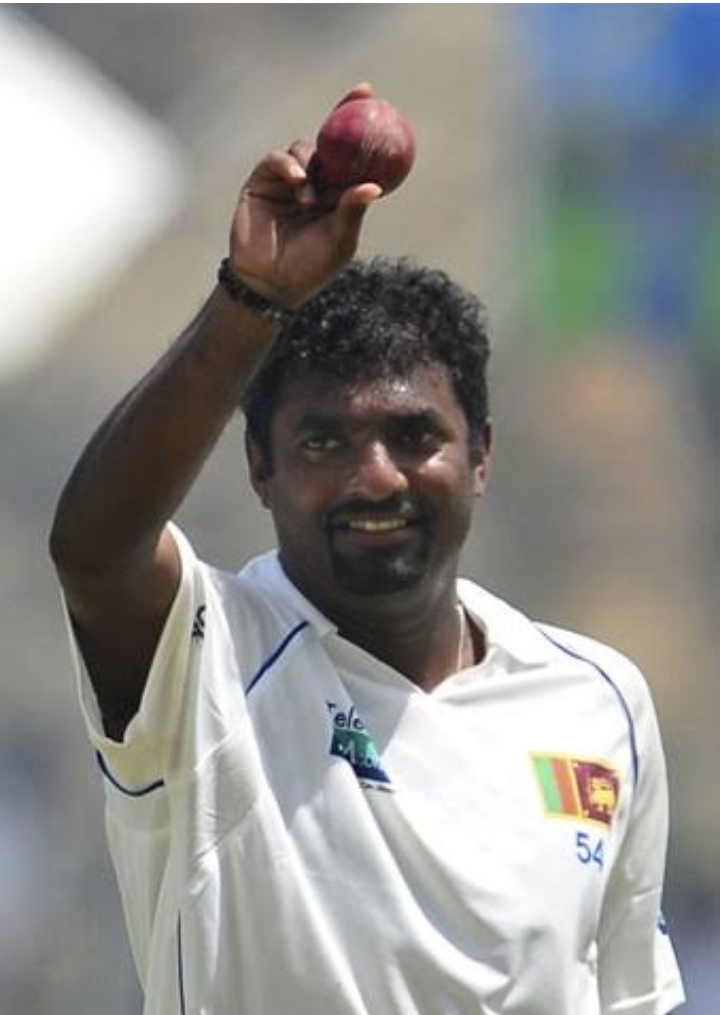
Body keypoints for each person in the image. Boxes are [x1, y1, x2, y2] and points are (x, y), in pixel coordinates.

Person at [50, 84, 685, 1015]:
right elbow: (95, 550)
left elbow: (635, 997)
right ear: (260, 466)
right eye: (325, 442)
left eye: (415, 435)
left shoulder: (599, 700)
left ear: (481, 455)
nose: (377, 477)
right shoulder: (208, 661)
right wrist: (251, 299)